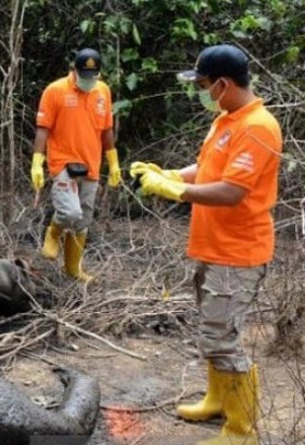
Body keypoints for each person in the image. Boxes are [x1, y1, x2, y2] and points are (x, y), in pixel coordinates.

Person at [130, 44, 282, 445]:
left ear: (223, 84)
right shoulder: (229, 119)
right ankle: (218, 400)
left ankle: (242, 430)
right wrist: (171, 173)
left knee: (223, 337)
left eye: (202, 85)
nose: (199, 91)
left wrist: (174, 191)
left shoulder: (258, 126)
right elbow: (210, 168)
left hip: (237, 252)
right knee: (213, 328)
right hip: (214, 247)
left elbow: (232, 191)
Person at [30, 48, 121, 282]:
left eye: (93, 76)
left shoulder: (103, 91)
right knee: (69, 211)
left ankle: (72, 269)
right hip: (63, 162)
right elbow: (43, 128)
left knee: (83, 220)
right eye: (84, 76)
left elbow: (107, 129)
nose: (89, 81)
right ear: (74, 71)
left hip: (91, 163)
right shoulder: (55, 91)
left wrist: (113, 162)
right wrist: (37, 162)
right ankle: (53, 232)